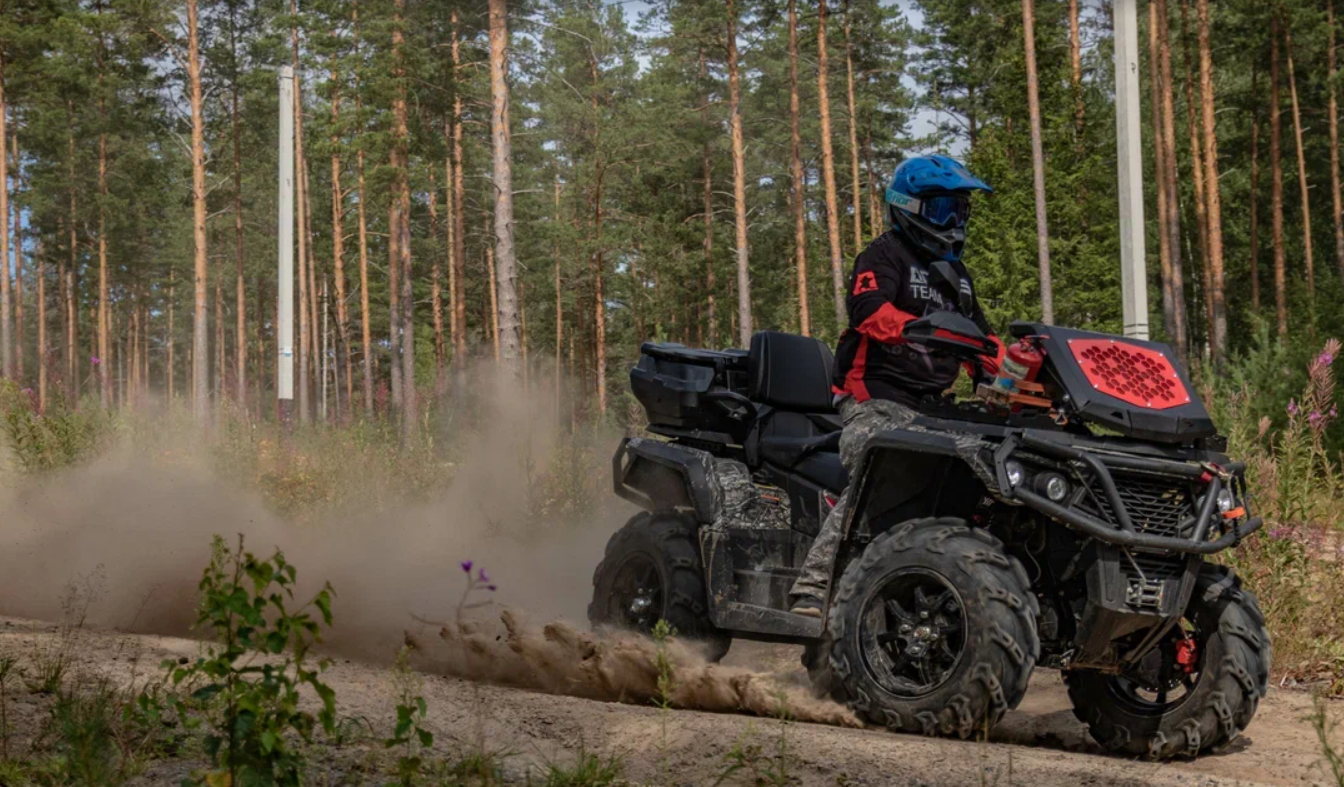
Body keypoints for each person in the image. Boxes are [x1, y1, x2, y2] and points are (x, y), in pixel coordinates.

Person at [789, 154, 1005, 618]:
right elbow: (867, 311)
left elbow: (986, 345)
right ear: (909, 207)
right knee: (884, 463)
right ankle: (813, 586)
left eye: (960, 211)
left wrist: (1018, 372)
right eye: (944, 209)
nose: (955, 221)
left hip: (936, 414)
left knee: (995, 475)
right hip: (875, 403)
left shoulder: (958, 280)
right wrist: (917, 329)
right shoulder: (884, 254)